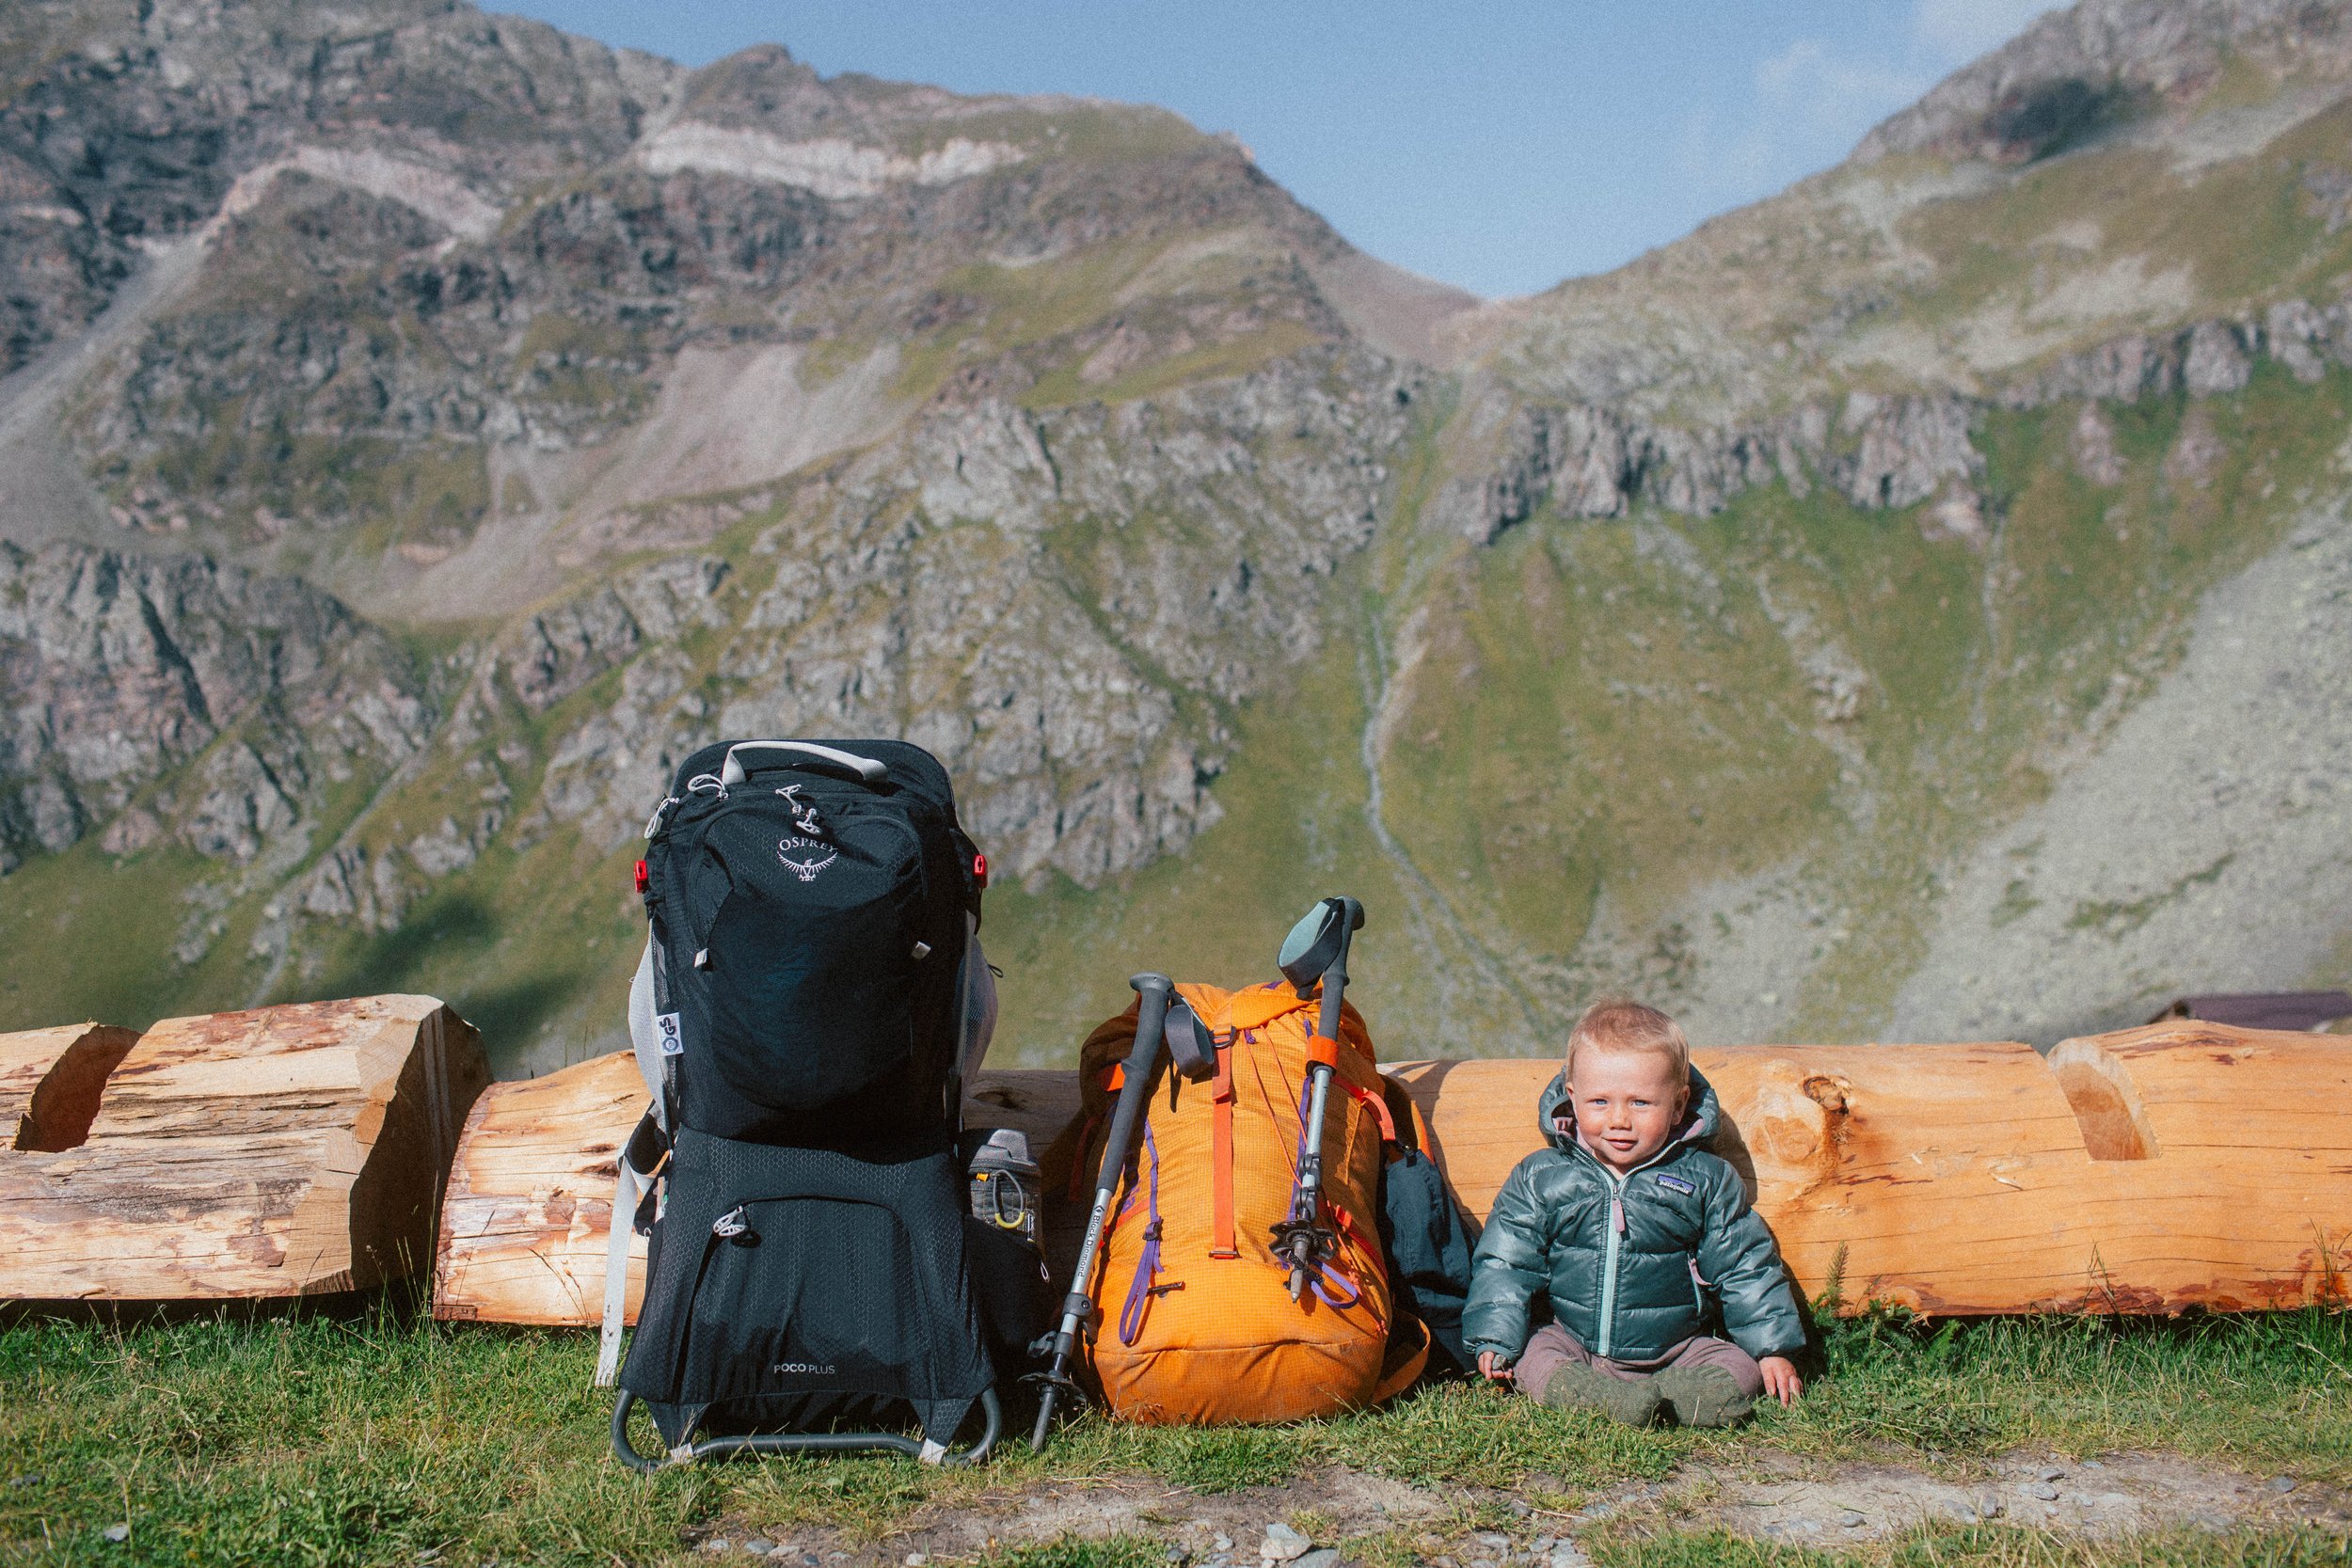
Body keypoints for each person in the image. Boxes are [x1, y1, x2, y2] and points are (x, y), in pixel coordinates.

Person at [1462, 997, 1806, 1427]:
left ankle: (1682, 1395)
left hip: (1678, 1348)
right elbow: (1506, 1260)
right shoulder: (1543, 1176)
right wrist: (1495, 1337)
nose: (1619, 1120)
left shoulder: (1704, 1179)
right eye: (1600, 1102)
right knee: (1536, 1352)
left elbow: (1745, 1266)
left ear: (1679, 1105)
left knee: (1739, 1363)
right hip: (1574, 1340)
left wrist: (1771, 1349)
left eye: (1641, 1103)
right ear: (1572, 1098)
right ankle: (1596, 1396)